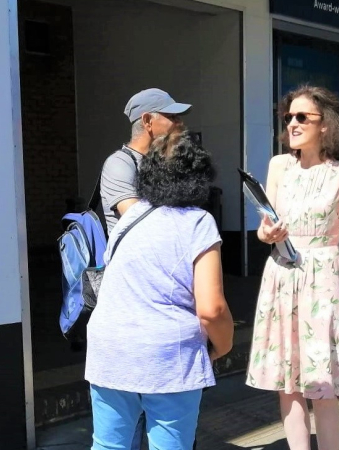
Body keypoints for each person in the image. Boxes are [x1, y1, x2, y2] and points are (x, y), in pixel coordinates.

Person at [246, 85, 339, 450]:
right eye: (289, 116)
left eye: (302, 117)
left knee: (322, 384)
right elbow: (265, 225)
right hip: (281, 273)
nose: (292, 123)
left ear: (326, 125)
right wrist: (266, 232)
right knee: (287, 382)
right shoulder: (279, 166)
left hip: (322, 276)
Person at [86, 131, 233, 450]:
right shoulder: (198, 222)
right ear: (199, 179)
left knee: (108, 445)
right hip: (168, 354)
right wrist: (223, 345)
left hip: (108, 347)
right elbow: (211, 309)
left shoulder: (129, 218)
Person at [100, 87, 191, 235]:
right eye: (172, 116)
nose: (180, 122)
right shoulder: (119, 164)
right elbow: (138, 220)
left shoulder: (167, 162)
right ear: (147, 121)